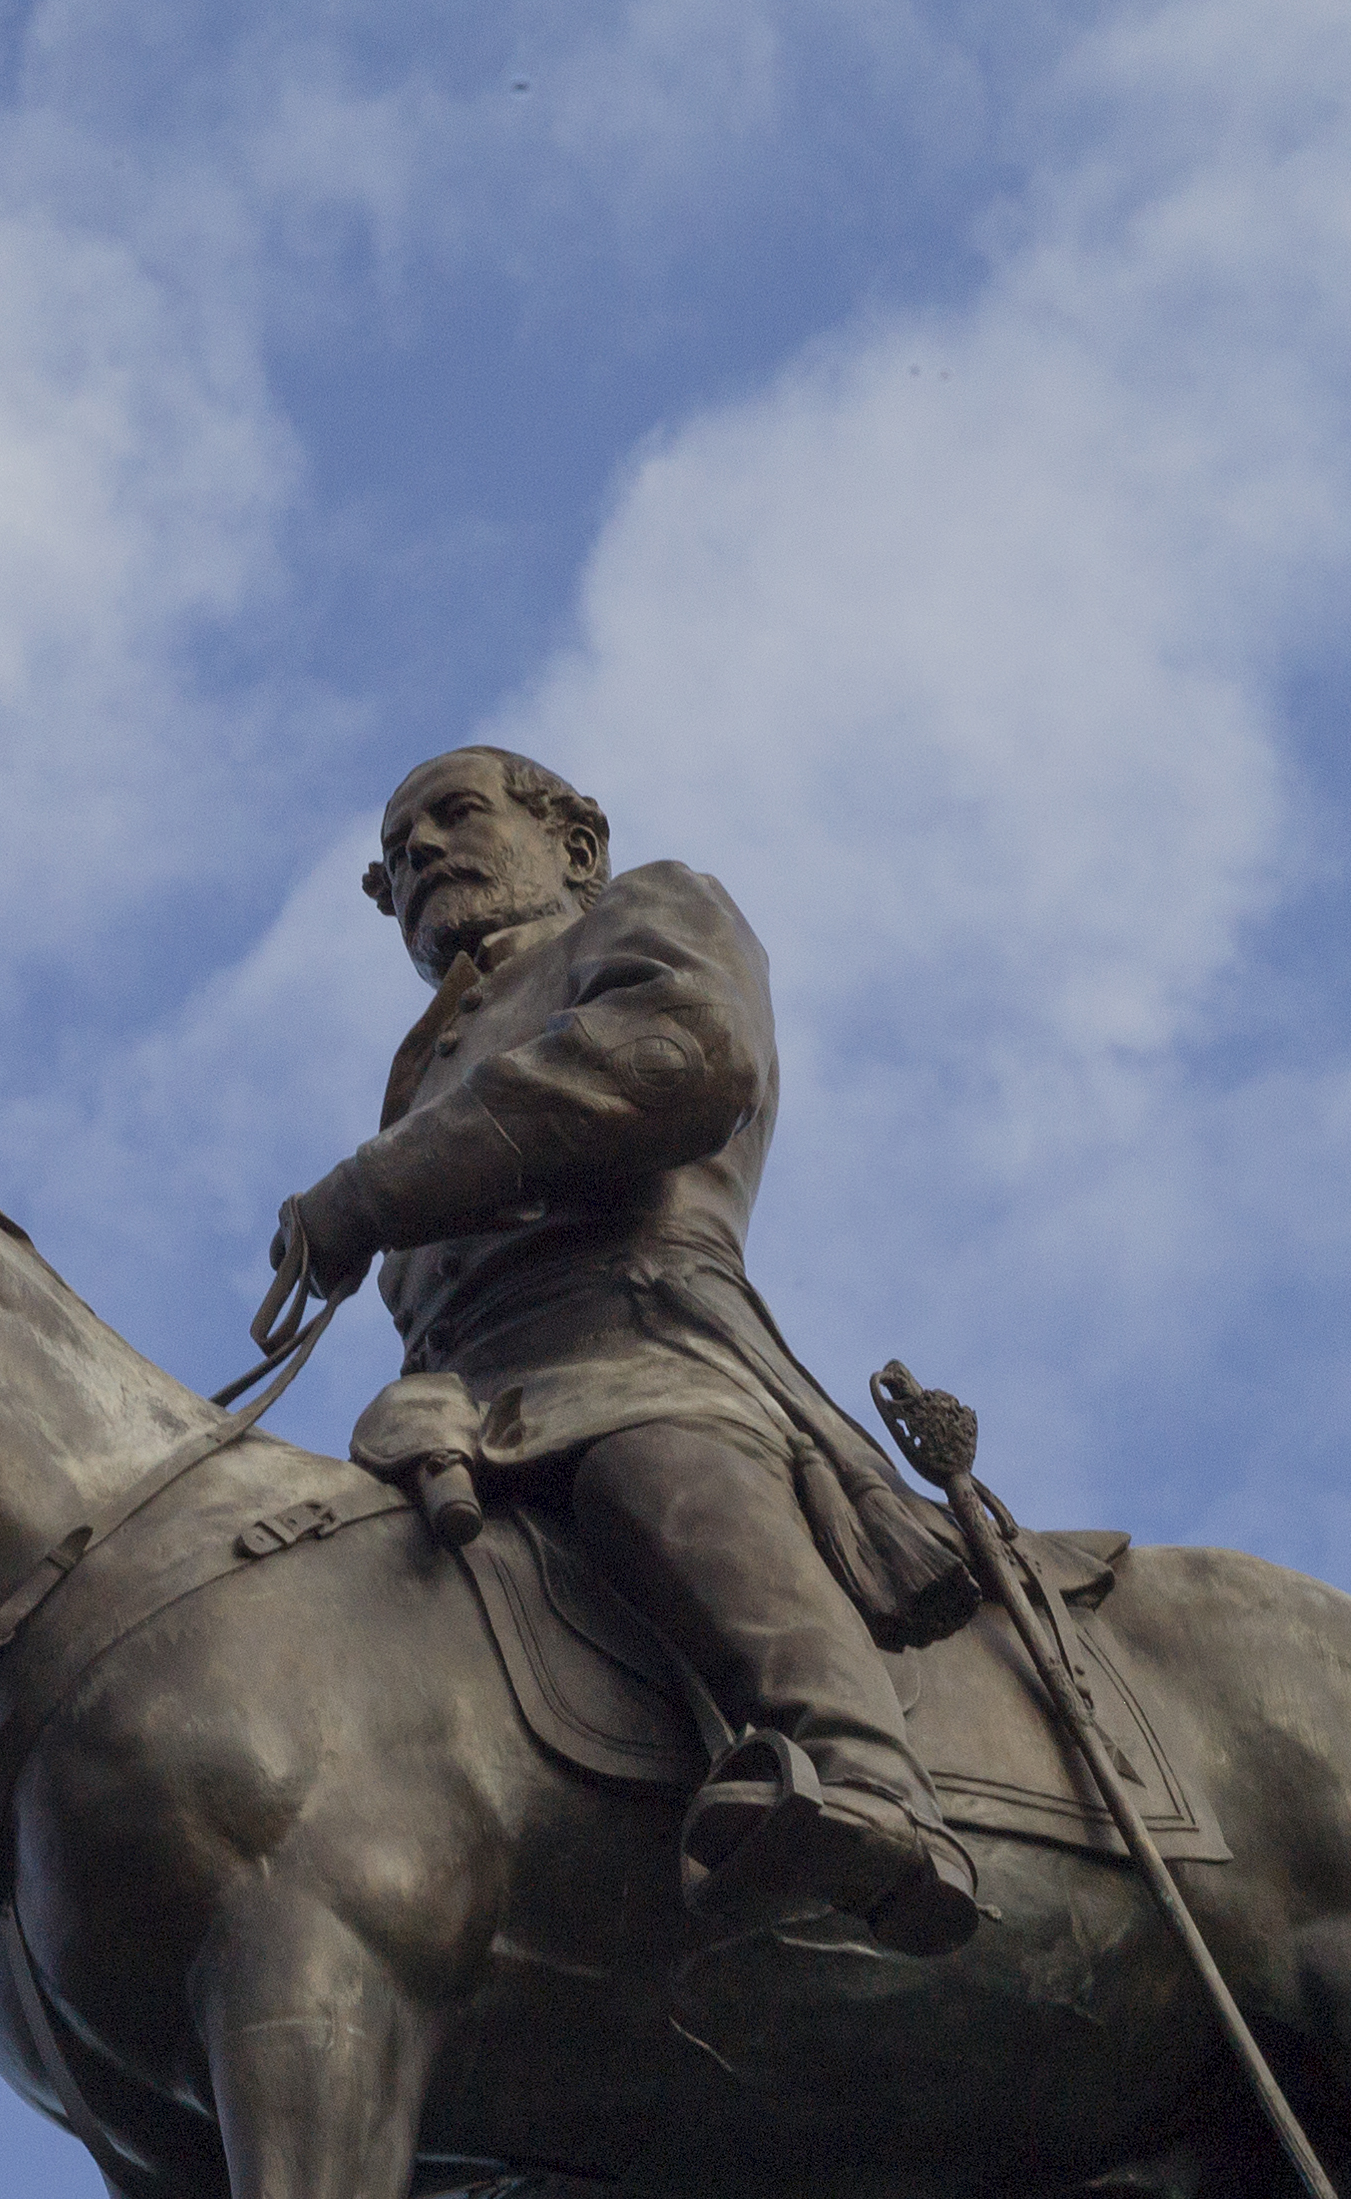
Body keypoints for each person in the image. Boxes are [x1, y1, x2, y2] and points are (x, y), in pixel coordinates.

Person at [270, 747, 988, 1962]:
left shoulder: (654, 905)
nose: (424, 855)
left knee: (648, 1470)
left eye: (455, 818)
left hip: (634, 1338)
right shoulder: (422, 1063)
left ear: (577, 846)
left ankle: (864, 1779)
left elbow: (686, 1052)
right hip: (458, 1403)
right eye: (397, 855)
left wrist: (373, 1186)